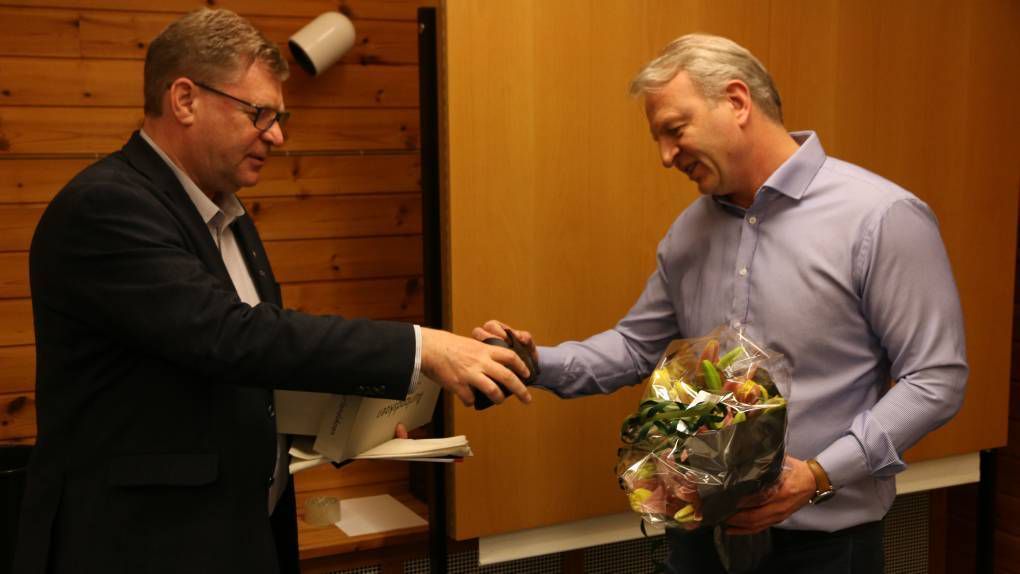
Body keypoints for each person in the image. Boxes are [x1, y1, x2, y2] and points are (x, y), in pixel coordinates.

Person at [14, 9, 531, 574]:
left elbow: (244, 371)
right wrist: (422, 346)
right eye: (258, 113)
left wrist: (347, 425)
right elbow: (228, 336)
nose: (277, 135)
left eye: (279, 117)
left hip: (242, 535)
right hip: (141, 547)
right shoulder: (107, 207)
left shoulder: (228, 214)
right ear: (184, 99)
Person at [474, 33, 967, 573]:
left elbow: (935, 379)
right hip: (697, 539)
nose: (666, 157)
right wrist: (534, 362)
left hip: (824, 549)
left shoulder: (880, 217)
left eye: (674, 130)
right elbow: (635, 347)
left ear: (736, 102)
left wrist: (819, 475)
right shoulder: (689, 231)